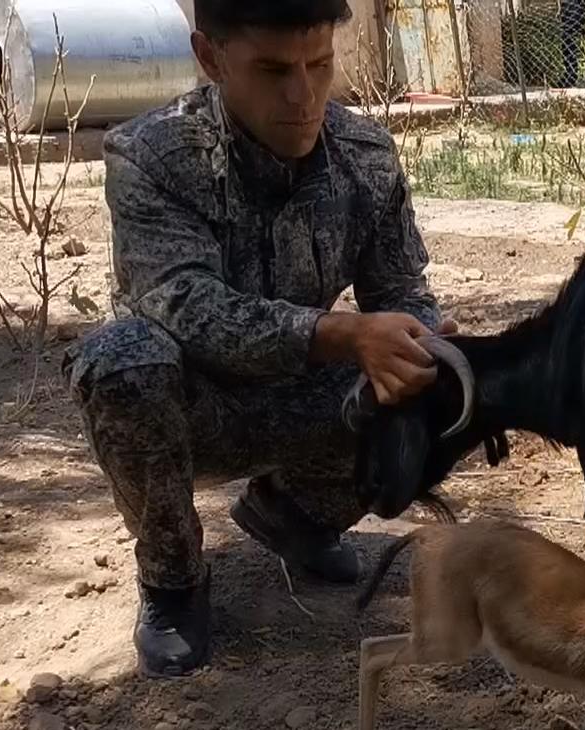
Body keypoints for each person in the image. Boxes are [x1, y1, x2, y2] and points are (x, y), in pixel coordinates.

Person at [70, 0, 453, 678]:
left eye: (320, 64)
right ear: (211, 58)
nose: (303, 95)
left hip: (304, 394)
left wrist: (415, 340)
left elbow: (401, 288)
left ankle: (297, 517)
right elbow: (186, 305)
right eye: (273, 70)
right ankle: (173, 580)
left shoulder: (365, 155)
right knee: (121, 362)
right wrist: (339, 333)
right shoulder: (151, 156)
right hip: (192, 405)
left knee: (431, 369)